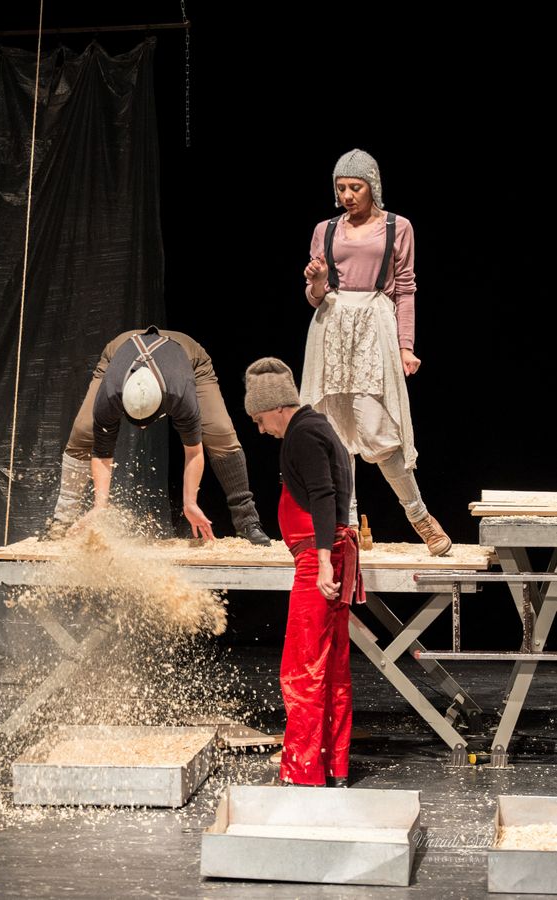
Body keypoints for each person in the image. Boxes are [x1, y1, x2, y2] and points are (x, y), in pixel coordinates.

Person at [301, 148, 451, 556]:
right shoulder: (325, 229)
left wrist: (406, 346)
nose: (347, 195)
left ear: (373, 186)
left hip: (373, 326)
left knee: (378, 429)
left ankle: (420, 516)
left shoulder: (397, 227)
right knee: (333, 432)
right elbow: (315, 297)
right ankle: (347, 528)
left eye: (356, 187)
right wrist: (317, 280)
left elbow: (405, 289)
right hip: (331, 329)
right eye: (341, 188)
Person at [245, 357, 364, 787]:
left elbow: (323, 494)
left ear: (276, 407)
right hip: (324, 554)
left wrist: (324, 561)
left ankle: (303, 772)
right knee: (330, 669)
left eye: (259, 420)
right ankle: (332, 766)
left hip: (319, 558)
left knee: (303, 668)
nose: (261, 429)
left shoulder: (304, 434)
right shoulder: (316, 428)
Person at [50, 326, 270, 544]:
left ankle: (247, 521)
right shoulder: (110, 394)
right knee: (84, 429)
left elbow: (194, 452)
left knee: (219, 432)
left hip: (188, 354)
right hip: (122, 348)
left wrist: (190, 503)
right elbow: (102, 454)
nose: (142, 429)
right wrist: (100, 507)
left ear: (164, 405)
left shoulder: (180, 394)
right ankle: (62, 521)